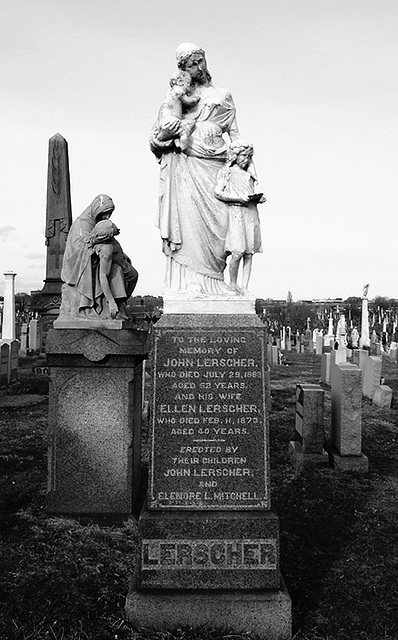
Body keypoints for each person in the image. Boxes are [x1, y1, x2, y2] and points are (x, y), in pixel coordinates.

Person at [150, 42, 241, 297]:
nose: (199, 67)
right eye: (192, 64)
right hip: (187, 165)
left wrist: (246, 171)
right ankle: (191, 284)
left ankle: (218, 282)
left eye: (201, 60)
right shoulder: (179, 93)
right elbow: (159, 132)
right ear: (183, 68)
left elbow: (235, 135)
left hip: (217, 165)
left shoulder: (223, 94)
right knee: (189, 226)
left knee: (222, 226)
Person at [60, 194, 137, 320]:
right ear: (97, 210)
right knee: (115, 271)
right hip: (83, 265)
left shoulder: (101, 225)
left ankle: (119, 304)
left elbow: (108, 238)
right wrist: (96, 244)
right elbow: (79, 247)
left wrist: (122, 255)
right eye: (105, 213)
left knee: (131, 274)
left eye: (109, 213)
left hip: (100, 258)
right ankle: (111, 304)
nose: (107, 216)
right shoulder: (82, 223)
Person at [214, 139, 265, 294]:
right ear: (235, 155)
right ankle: (232, 284)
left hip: (250, 213)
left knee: (249, 252)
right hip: (236, 213)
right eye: (243, 156)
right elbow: (218, 192)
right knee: (238, 251)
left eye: (248, 157)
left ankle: (244, 287)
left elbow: (250, 192)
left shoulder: (249, 175)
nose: (246, 160)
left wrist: (259, 199)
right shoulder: (226, 171)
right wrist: (238, 198)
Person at [155, 70, 200, 151]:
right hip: (172, 121)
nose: (189, 87)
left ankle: (177, 145)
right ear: (180, 82)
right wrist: (195, 99)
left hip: (163, 123)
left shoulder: (169, 93)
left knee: (175, 134)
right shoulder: (178, 91)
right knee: (185, 130)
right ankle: (182, 148)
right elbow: (188, 101)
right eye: (188, 84)